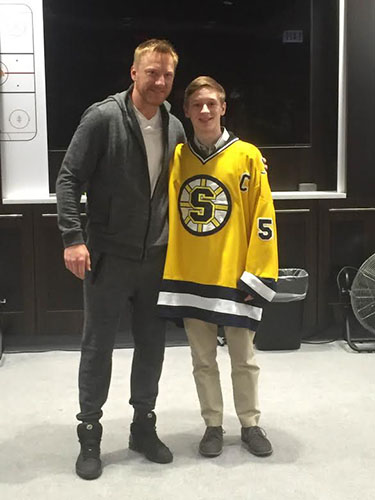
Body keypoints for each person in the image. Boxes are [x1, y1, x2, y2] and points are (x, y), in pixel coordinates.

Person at [56, 39, 186, 480]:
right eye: (152, 72)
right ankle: (89, 432)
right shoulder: (103, 117)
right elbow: (70, 178)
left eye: (167, 74)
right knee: (99, 347)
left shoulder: (175, 127)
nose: (160, 81)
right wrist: (73, 238)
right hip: (108, 256)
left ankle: (142, 427)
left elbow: (187, 185)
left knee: (152, 347)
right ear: (134, 72)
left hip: (157, 259)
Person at [157, 76, 278, 458]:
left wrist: (257, 273)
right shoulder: (176, 157)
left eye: (212, 103)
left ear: (223, 107)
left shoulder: (247, 156)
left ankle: (250, 423)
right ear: (187, 111)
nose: (205, 110)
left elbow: (264, 217)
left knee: (244, 358)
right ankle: (212, 424)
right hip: (191, 275)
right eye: (197, 105)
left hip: (235, 276)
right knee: (202, 359)